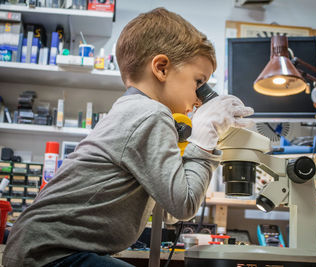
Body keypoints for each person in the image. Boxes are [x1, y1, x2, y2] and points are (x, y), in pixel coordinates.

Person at [2, 7, 253, 267]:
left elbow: (169, 211)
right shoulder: (150, 114)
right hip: (48, 255)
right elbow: (184, 204)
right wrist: (204, 136)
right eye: (198, 82)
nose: (201, 97)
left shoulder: (131, 110)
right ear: (162, 68)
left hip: (36, 248)